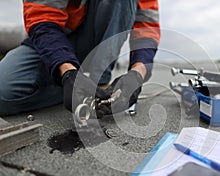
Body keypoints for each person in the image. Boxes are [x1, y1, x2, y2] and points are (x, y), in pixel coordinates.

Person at [0, 0, 160, 117]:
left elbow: (147, 29)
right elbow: (42, 18)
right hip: (51, 42)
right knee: (2, 95)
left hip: (95, 46)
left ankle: (96, 83)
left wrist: (136, 75)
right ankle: (80, 87)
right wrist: (68, 73)